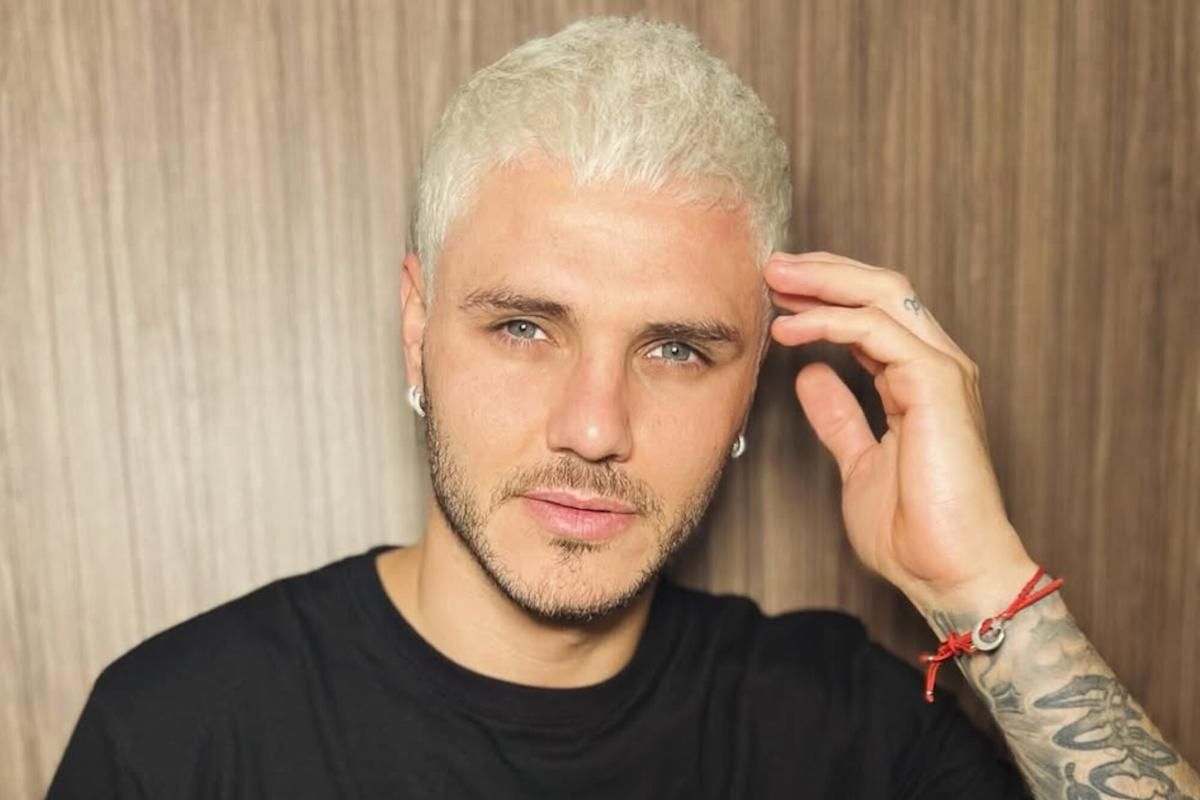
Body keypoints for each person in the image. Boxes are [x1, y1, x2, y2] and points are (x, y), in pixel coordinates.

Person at [48, 15, 1197, 800]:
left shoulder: (848, 731)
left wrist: (984, 585)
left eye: (677, 348)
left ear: (751, 383)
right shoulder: (178, 734)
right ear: (416, 325)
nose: (595, 427)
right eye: (522, 326)